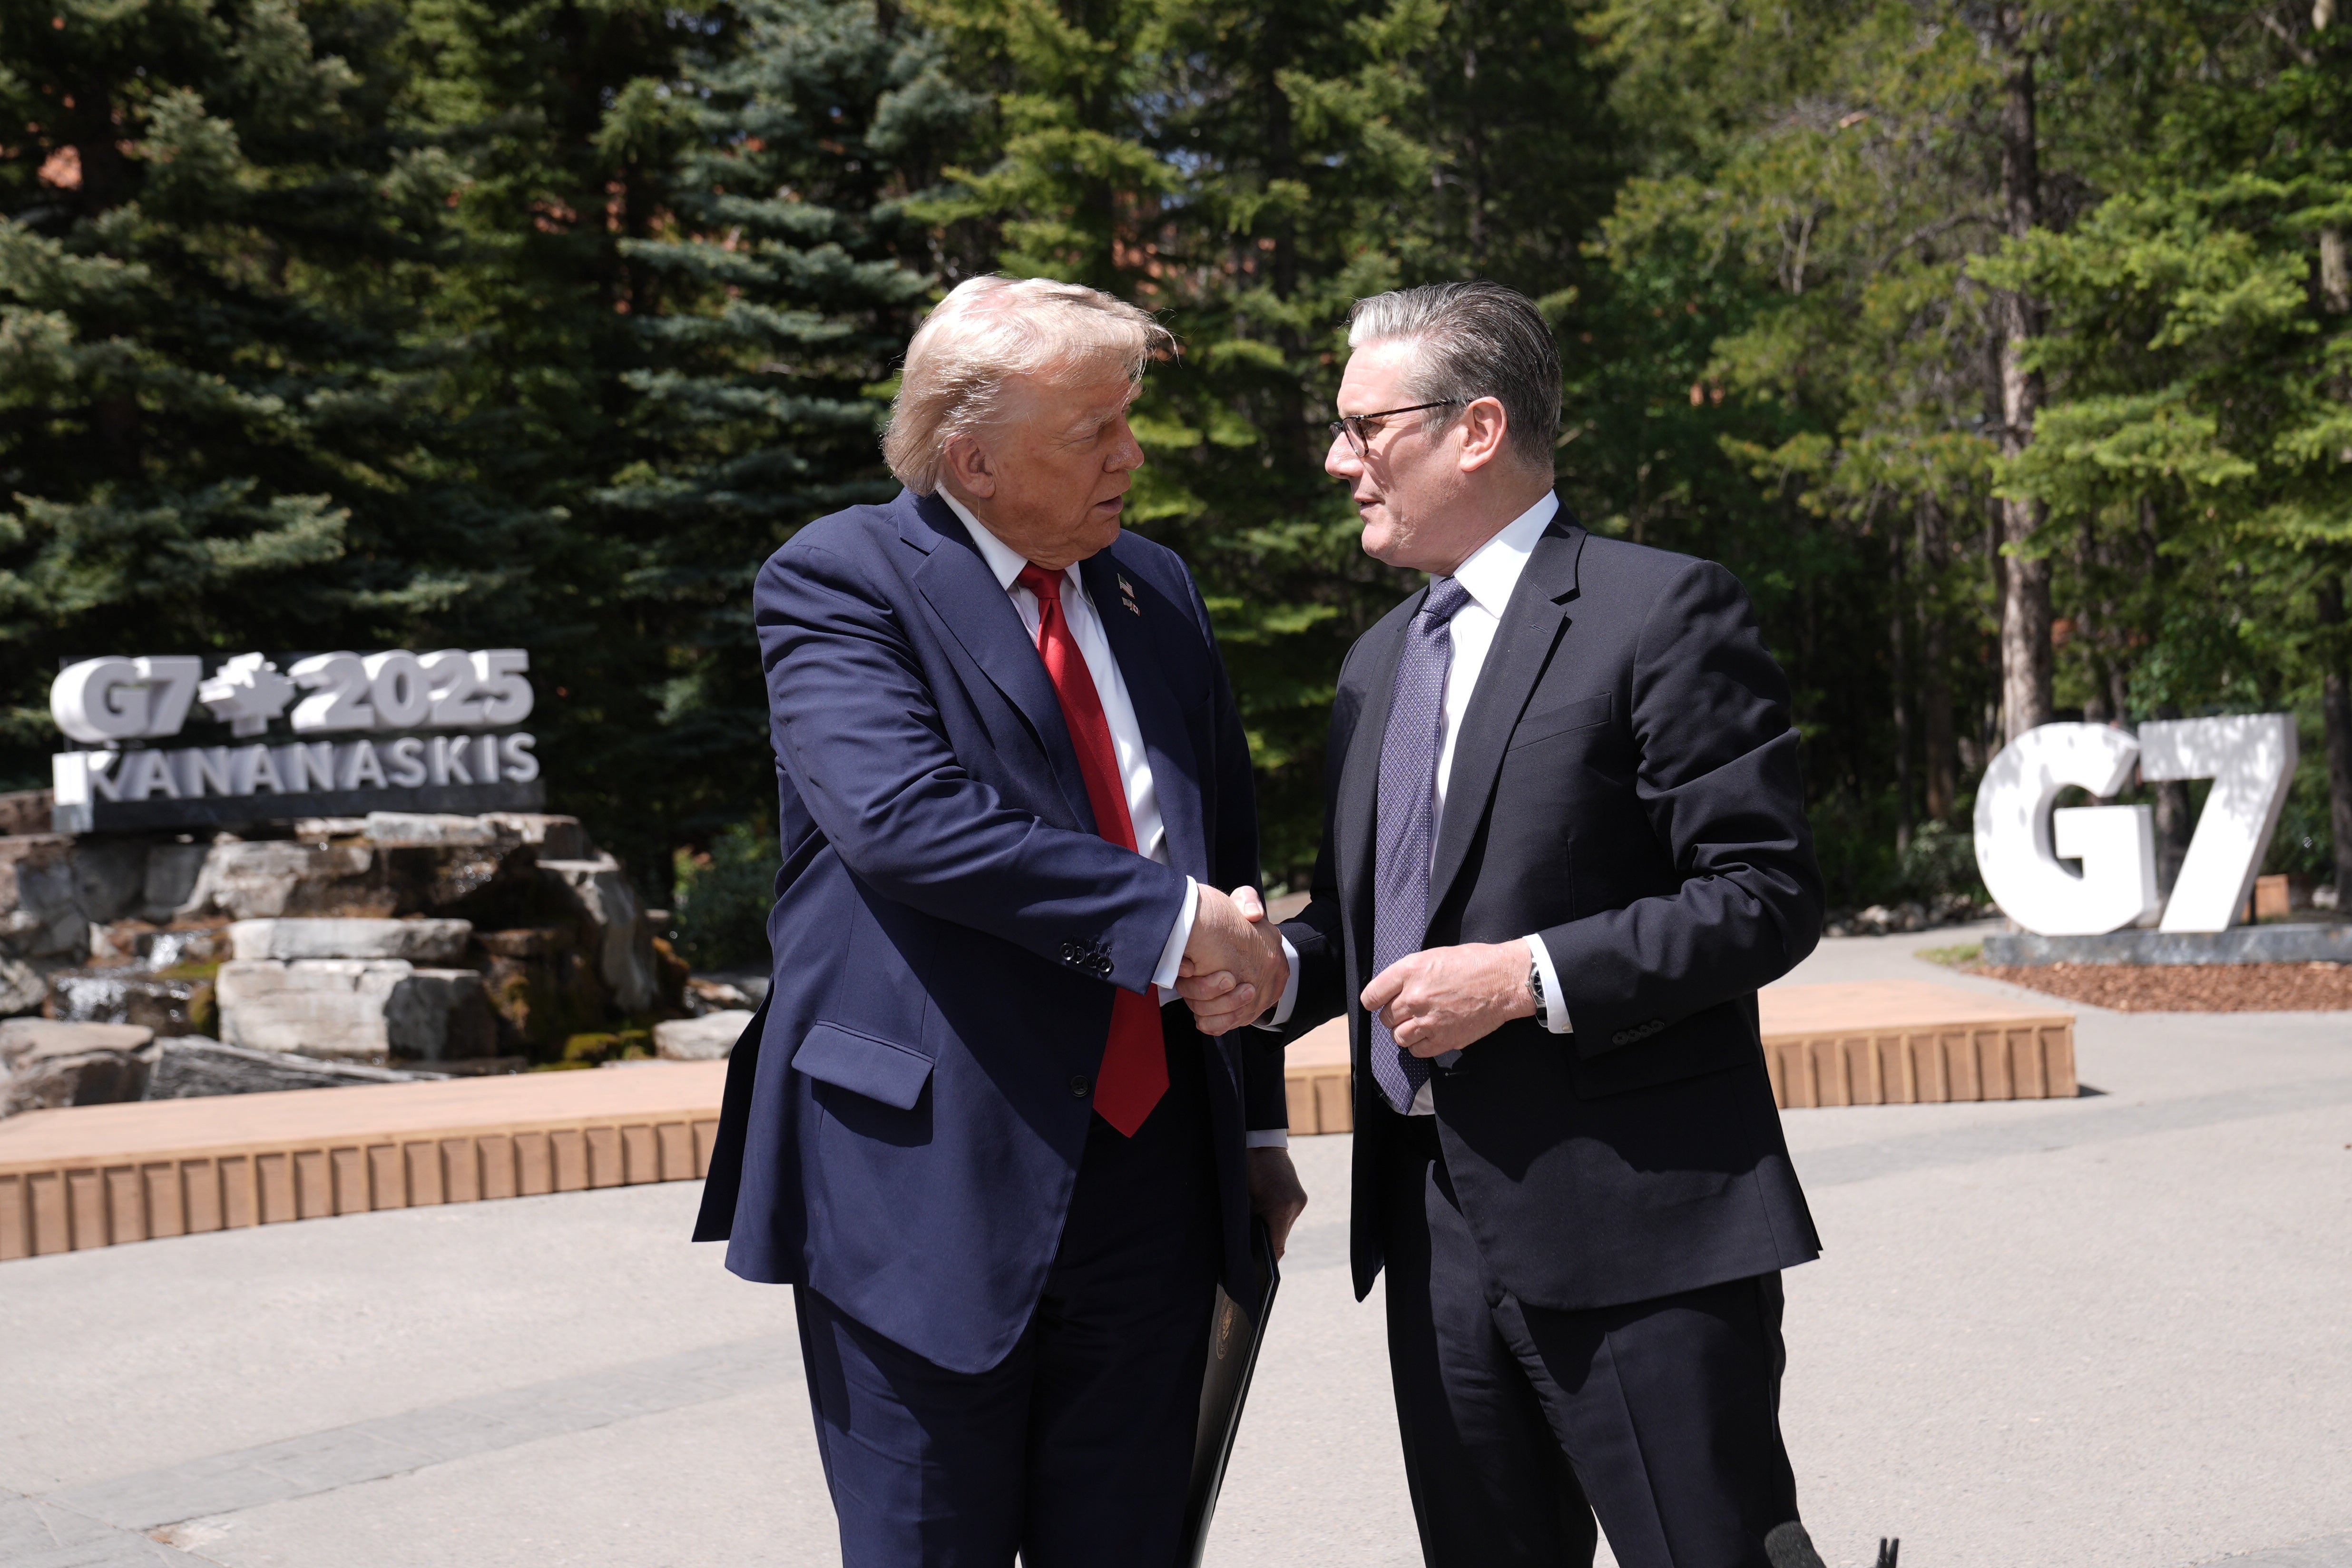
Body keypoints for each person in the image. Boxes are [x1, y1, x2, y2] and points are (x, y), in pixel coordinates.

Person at [693, 274, 1307, 1568]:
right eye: (1095, 427)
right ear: (971, 457)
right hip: (924, 1182)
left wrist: (1252, 1123)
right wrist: (1169, 922)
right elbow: (906, 821)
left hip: (1155, 1180)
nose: (1131, 453)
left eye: (1129, 419)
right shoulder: (841, 579)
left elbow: (1225, 859)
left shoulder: (1156, 590)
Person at [1225, 281, 1825, 1568]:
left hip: (1642, 1226)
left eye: (1364, 427)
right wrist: (1270, 971)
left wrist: (1528, 977)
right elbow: (1377, 927)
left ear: (1477, 429)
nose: (1340, 461)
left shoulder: (1661, 610)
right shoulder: (1379, 662)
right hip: (1432, 1233)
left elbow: (1763, 894)